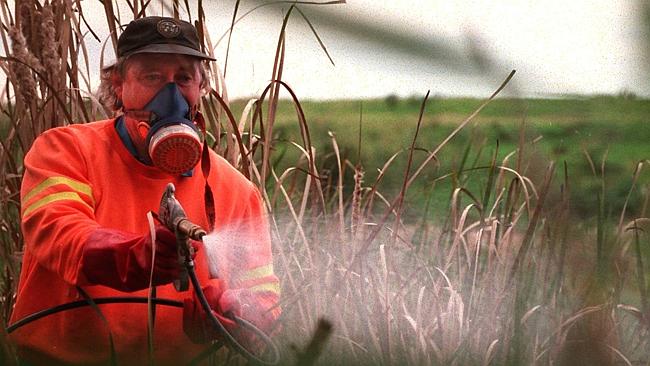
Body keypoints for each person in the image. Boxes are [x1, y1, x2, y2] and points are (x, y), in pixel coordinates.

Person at [8, 16, 280, 365]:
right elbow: (59, 232)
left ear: (201, 88)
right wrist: (134, 256)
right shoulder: (65, 151)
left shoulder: (235, 190)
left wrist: (237, 312)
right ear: (118, 85)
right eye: (152, 76)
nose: (171, 96)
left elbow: (263, 292)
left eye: (183, 78)